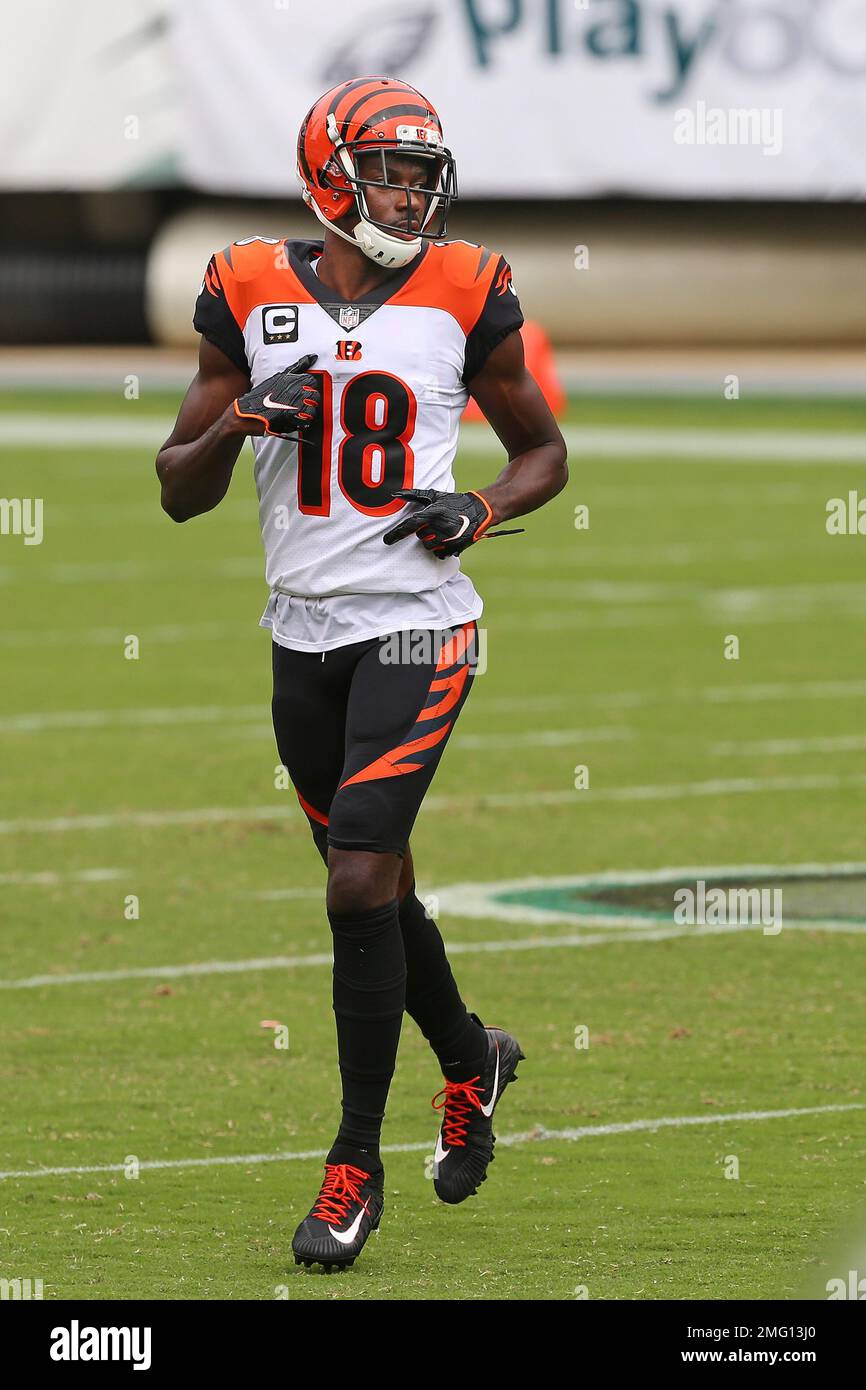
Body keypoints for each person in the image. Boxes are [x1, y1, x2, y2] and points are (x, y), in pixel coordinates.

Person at [155, 75, 568, 1272]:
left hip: (418, 627)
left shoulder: (461, 288)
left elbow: (540, 450)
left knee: (352, 884)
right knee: (373, 883)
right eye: (391, 170)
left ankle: (350, 1163)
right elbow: (177, 487)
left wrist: (477, 506)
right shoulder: (245, 287)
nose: (411, 194)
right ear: (332, 173)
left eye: (422, 174)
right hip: (300, 638)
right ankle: (469, 1056)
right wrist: (241, 425)